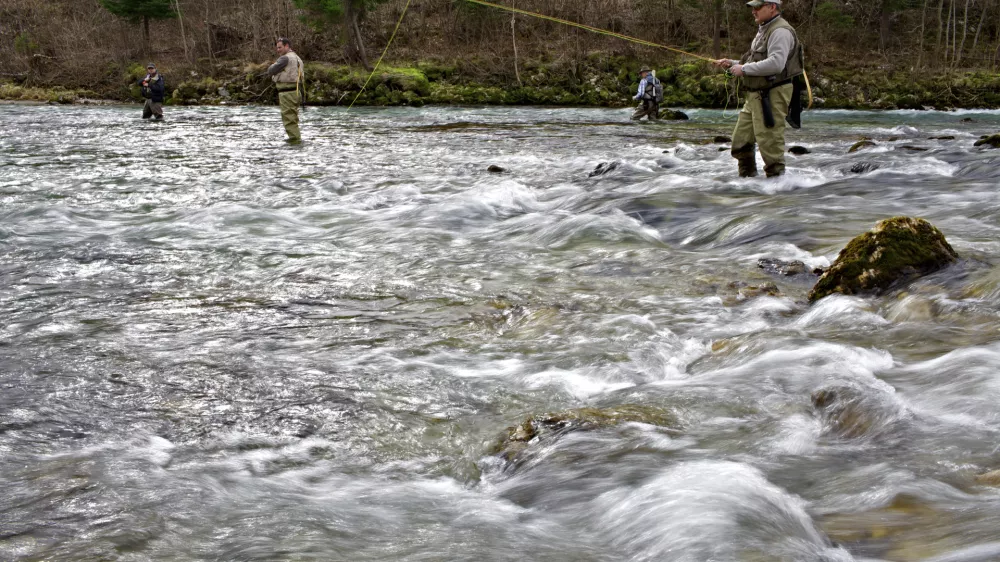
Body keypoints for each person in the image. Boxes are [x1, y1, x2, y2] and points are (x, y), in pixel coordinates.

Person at [713, 0, 804, 178]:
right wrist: (732, 63)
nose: (753, 11)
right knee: (741, 142)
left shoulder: (780, 31)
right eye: (753, 8)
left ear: (772, 7)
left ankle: (777, 185)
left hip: (772, 94)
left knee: (770, 144)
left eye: (758, 7)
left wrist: (744, 69)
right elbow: (758, 62)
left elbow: (776, 64)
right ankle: (747, 183)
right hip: (756, 95)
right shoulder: (764, 28)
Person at [265, 37, 304, 143]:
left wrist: (272, 65)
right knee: (293, 119)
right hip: (296, 92)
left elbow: (270, 70)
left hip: (287, 94)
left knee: (289, 120)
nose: (278, 50)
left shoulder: (284, 58)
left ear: (287, 46)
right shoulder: (298, 58)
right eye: (277, 48)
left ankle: (295, 142)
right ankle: (296, 140)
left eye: (280, 47)